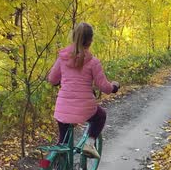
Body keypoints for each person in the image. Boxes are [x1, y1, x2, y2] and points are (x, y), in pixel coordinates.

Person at [48, 22, 119, 160]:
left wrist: (58, 81)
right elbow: (104, 87)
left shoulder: (62, 58)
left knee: (62, 142)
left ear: (74, 37)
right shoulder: (93, 62)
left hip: (62, 107)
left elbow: (52, 79)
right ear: (90, 40)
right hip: (84, 109)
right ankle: (89, 144)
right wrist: (114, 87)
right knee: (101, 115)